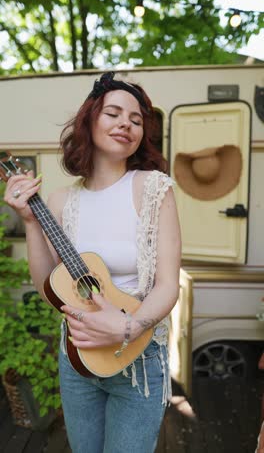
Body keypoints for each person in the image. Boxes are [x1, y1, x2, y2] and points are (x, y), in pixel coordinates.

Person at [4, 72, 181, 453]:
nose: (126, 124)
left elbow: (168, 284)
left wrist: (128, 326)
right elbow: (49, 288)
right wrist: (31, 222)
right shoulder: (60, 201)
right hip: (77, 355)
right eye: (113, 114)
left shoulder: (154, 188)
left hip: (139, 356)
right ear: (90, 121)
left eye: (136, 120)